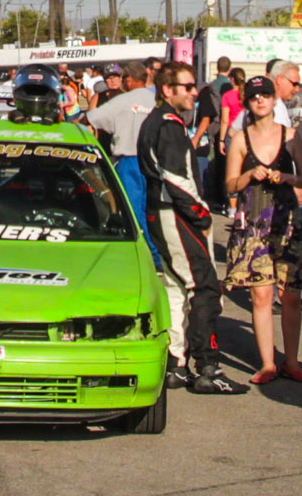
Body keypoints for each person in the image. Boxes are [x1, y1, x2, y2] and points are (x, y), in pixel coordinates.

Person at [141, 64, 244, 395]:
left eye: (193, 86)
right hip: (175, 213)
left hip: (164, 212)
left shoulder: (160, 121)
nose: (194, 92)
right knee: (204, 288)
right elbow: (176, 179)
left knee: (176, 287)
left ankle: (176, 362)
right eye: (187, 87)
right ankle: (208, 366)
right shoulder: (167, 124)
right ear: (167, 89)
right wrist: (201, 215)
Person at [224, 77, 302, 385]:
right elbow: (229, 185)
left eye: (265, 95)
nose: (260, 100)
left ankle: (292, 362)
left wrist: (287, 177)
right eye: (254, 97)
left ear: (275, 99)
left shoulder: (291, 136)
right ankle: (267, 364)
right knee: (261, 295)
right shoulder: (240, 139)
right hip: (254, 223)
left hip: (287, 222)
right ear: (247, 103)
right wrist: (249, 174)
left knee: (290, 295)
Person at [87, 65, 159, 254]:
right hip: (154, 162)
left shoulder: (122, 100)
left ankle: (147, 253)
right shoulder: (157, 101)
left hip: (129, 161)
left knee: (132, 211)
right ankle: (157, 252)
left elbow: (93, 118)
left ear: (129, 80)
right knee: (151, 211)